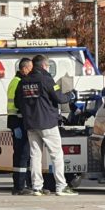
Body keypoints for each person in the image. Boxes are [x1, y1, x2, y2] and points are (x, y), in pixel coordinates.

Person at [15, 54, 78, 196]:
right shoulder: (47, 79)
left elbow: (18, 103)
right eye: (48, 66)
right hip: (48, 123)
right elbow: (60, 98)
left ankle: (36, 187)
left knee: (35, 155)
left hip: (31, 124)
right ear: (44, 65)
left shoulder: (23, 82)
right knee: (56, 154)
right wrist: (71, 95)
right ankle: (61, 186)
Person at [7, 58, 33, 195]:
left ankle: (24, 185)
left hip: (16, 122)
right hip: (17, 122)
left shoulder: (16, 81)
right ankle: (19, 186)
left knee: (24, 155)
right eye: (30, 68)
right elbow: (17, 105)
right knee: (22, 155)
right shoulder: (18, 82)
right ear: (24, 69)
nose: (31, 71)